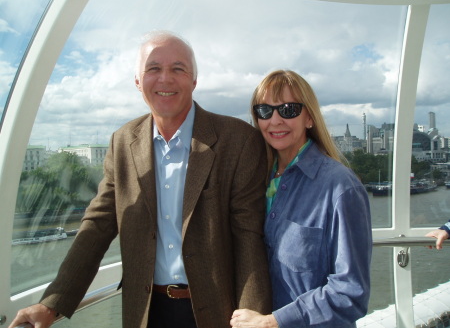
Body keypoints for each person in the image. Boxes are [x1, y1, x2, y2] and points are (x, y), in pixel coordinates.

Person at [9, 30, 271, 328]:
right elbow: (97, 226)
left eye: (178, 69)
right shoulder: (123, 142)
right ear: (138, 81)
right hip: (145, 312)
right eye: (153, 68)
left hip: (218, 314)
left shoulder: (237, 140)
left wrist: (253, 314)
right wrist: (51, 304)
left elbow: (248, 236)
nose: (165, 79)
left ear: (194, 80)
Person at [230, 70, 372, 328]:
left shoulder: (340, 188)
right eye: (264, 111)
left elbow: (350, 293)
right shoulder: (255, 181)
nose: (275, 120)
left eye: (288, 109)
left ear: (309, 118)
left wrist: (272, 322)